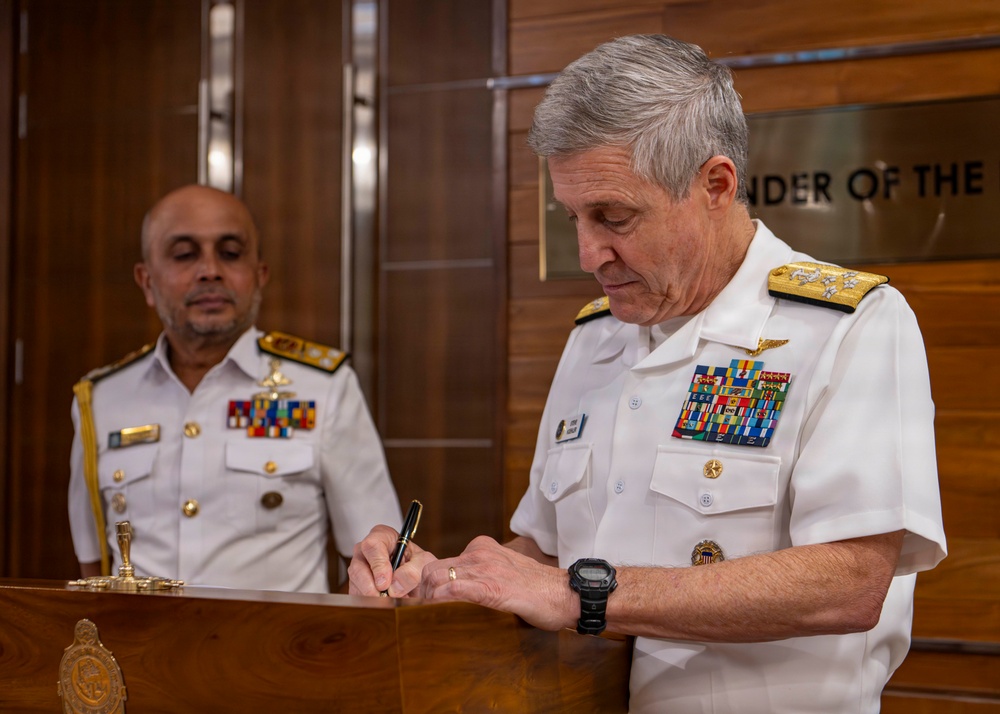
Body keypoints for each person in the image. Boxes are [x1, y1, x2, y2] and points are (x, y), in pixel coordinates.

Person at [349, 34, 947, 712]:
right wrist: (445, 578)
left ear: (715, 185)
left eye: (614, 217)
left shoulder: (845, 325)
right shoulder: (596, 339)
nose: (588, 253)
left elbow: (850, 580)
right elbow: (545, 553)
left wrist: (582, 595)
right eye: (572, 216)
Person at [69, 184, 402, 593]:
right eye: (184, 254)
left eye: (230, 253)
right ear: (147, 281)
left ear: (259, 275)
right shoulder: (102, 399)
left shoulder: (322, 388)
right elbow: (92, 567)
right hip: (138, 651)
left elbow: (374, 560)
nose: (210, 270)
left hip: (276, 653)